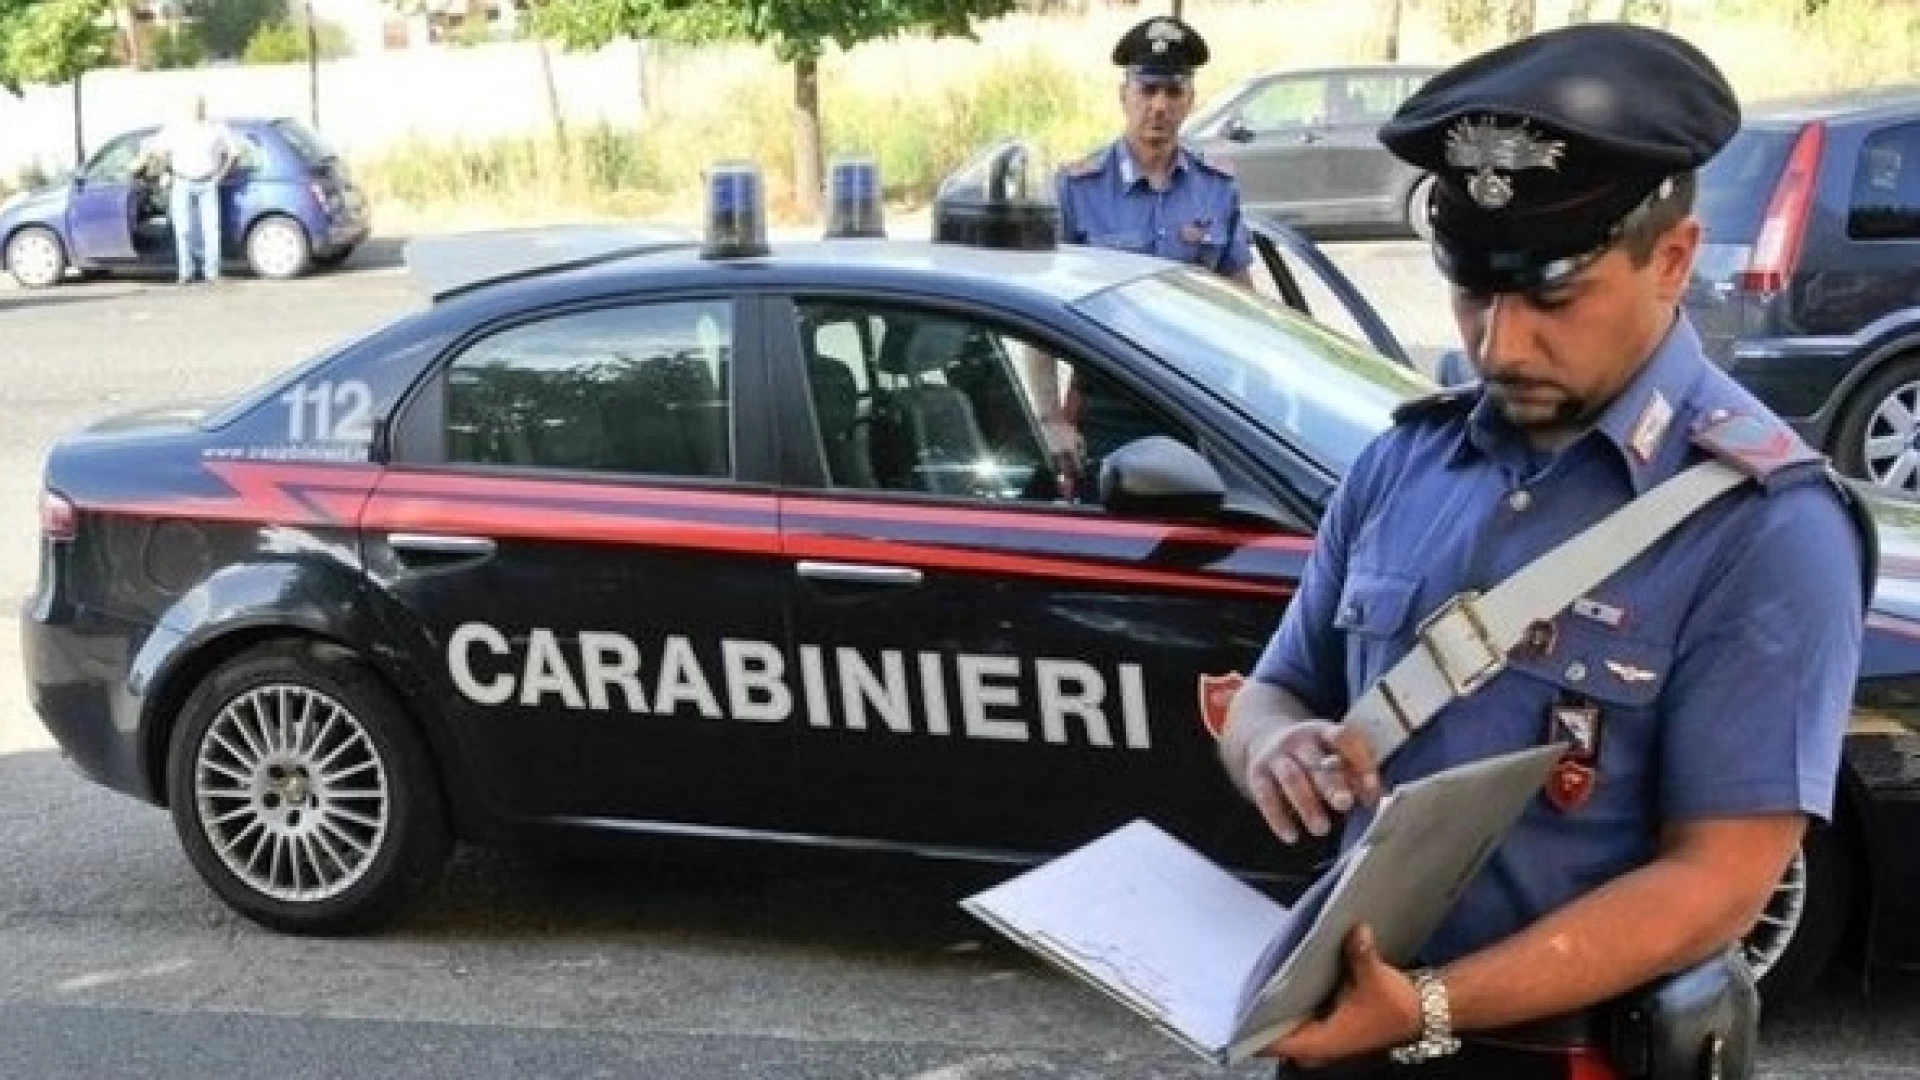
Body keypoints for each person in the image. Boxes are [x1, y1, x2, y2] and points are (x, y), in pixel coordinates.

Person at [1215, 23, 1871, 1080]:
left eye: (1554, 298)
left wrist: (1429, 1007)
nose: (1500, 344)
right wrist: (1273, 749)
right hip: (1338, 1038)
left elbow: (1720, 882)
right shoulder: (1406, 461)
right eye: (1475, 293)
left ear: (1672, 258)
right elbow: (1277, 689)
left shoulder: (1765, 524)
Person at [1025, 14, 1253, 497]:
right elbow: (1037, 317)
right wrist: (1050, 420)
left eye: (1172, 92)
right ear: (1123, 95)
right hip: (1107, 407)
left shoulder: (1217, 188)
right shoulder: (1077, 187)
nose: (1159, 106)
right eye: (1147, 90)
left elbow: (1243, 307)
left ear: (1189, 99)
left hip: (1197, 403)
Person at [140, 96, 237, 285]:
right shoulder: (176, 128)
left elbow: (233, 153)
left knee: (211, 229)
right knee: (183, 229)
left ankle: (212, 273)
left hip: (207, 182)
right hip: (182, 181)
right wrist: (162, 168)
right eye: (192, 106)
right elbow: (155, 150)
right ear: (186, 108)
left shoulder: (216, 127)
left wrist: (220, 176)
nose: (196, 110)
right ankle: (186, 272)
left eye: (199, 106)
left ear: (204, 107)